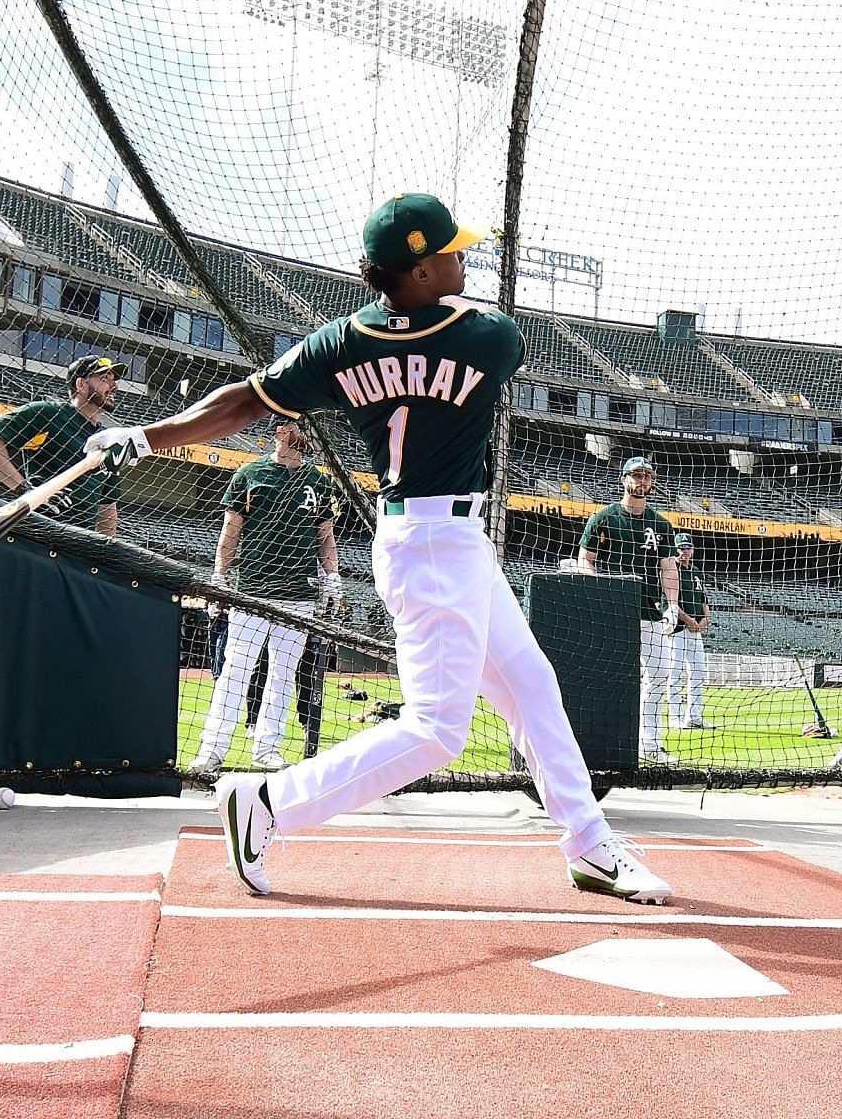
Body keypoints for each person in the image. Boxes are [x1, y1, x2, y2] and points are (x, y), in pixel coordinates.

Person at [85, 192, 669, 906]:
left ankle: (588, 842)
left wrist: (144, 436)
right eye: (449, 251)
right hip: (435, 544)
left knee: (530, 683)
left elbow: (241, 400)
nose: (463, 257)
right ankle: (269, 803)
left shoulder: (340, 342)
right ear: (417, 271)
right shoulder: (487, 333)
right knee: (435, 731)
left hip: (436, 539)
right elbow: (475, 341)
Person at [186, 415, 344, 777]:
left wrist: (332, 578)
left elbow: (326, 536)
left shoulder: (319, 482)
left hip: (299, 593)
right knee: (234, 673)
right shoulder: (249, 475)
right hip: (252, 591)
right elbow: (231, 530)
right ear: (282, 430)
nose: (310, 433)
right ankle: (212, 750)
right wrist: (220, 577)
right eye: (302, 426)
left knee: (283, 676)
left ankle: (268, 749)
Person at [577, 457, 682, 762]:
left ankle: (648, 742)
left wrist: (672, 605)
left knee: (661, 674)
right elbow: (586, 559)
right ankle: (598, 740)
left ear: (652, 483)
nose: (641, 482)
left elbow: (667, 566)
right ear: (623, 480)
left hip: (648, 610)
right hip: (612, 612)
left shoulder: (661, 523)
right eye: (636, 476)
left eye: (647, 477)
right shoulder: (604, 518)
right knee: (609, 677)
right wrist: (597, 592)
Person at [0, 354, 126, 535]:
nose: (114, 386)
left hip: (79, 544)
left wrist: (104, 552)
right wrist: (24, 489)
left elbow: (107, 504)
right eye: (104, 378)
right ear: (81, 384)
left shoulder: (107, 438)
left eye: (114, 379)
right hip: (38, 531)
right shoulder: (48, 413)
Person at [665, 533, 712, 729]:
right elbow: (670, 602)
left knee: (699, 670)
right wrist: (690, 620)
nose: (685, 551)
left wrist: (705, 619)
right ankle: (675, 717)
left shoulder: (695, 571)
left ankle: (694, 715)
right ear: (676, 549)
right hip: (677, 628)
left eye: (688, 548)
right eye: (682, 548)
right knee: (675, 672)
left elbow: (703, 599)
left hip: (695, 630)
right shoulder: (670, 569)